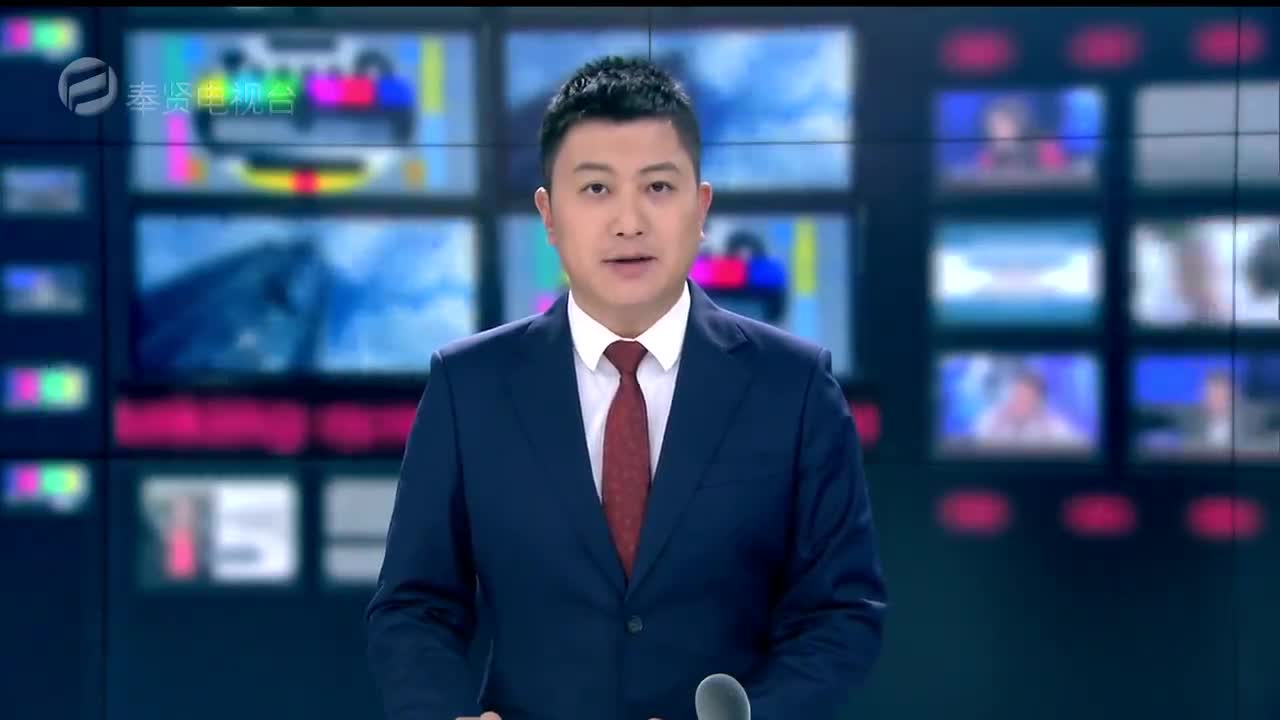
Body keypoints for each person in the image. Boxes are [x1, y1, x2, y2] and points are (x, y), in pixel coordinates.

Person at [366, 56, 887, 720]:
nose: (629, 221)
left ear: (701, 208)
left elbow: (840, 613)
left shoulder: (795, 388)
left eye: (659, 187)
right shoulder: (468, 387)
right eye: (596, 189)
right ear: (548, 215)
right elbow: (414, 605)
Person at [973, 368, 1085, 449]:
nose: (1018, 402)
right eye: (1017, 395)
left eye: (1026, 397)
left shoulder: (1053, 424)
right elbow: (973, 448)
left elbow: (1080, 448)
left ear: (1038, 402)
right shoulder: (992, 418)